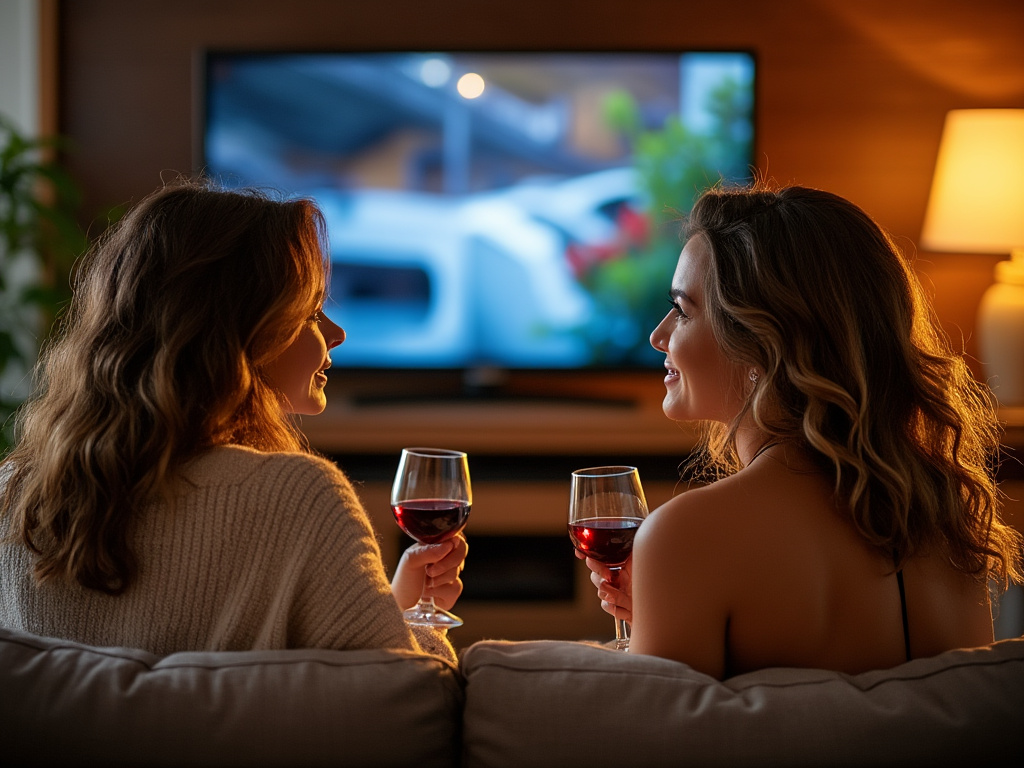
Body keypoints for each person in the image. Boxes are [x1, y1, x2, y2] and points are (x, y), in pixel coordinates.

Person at [0, 179, 467, 660]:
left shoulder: (12, 498)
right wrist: (420, 627)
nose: (337, 333)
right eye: (310, 312)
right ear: (238, 333)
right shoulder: (301, 498)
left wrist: (392, 606)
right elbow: (401, 701)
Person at [583, 182, 1023, 679]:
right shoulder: (943, 518)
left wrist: (673, 594)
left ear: (761, 345)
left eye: (683, 310)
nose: (658, 335)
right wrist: (668, 613)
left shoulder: (688, 536)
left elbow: (664, 743)